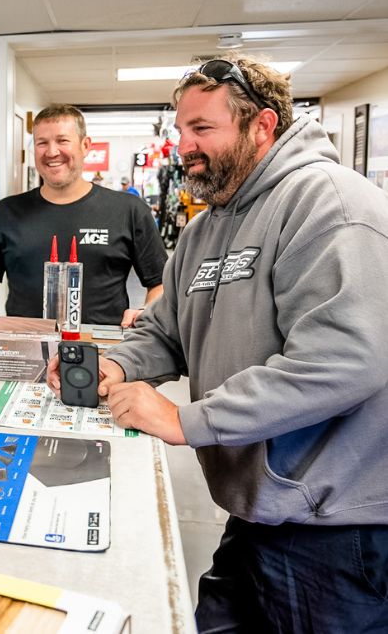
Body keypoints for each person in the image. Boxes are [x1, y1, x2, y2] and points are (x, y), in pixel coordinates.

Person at [48, 56, 388, 631]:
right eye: (181, 130)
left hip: (335, 532)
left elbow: (343, 361)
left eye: (203, 129)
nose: (185, 146)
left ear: (263, 126)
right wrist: (116, 364)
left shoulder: (328, 203)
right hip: (258, 514)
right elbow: (167, 331)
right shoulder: (209, 226)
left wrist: (189, 421)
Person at [0, 104, 166, 327]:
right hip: (25, 351)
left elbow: (160, 283)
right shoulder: (7, 212)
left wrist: (145, 314)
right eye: (42, 143)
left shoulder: (128, 209)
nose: (52, 152)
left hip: (103, 352)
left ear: (85, 146)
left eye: (62, 141)